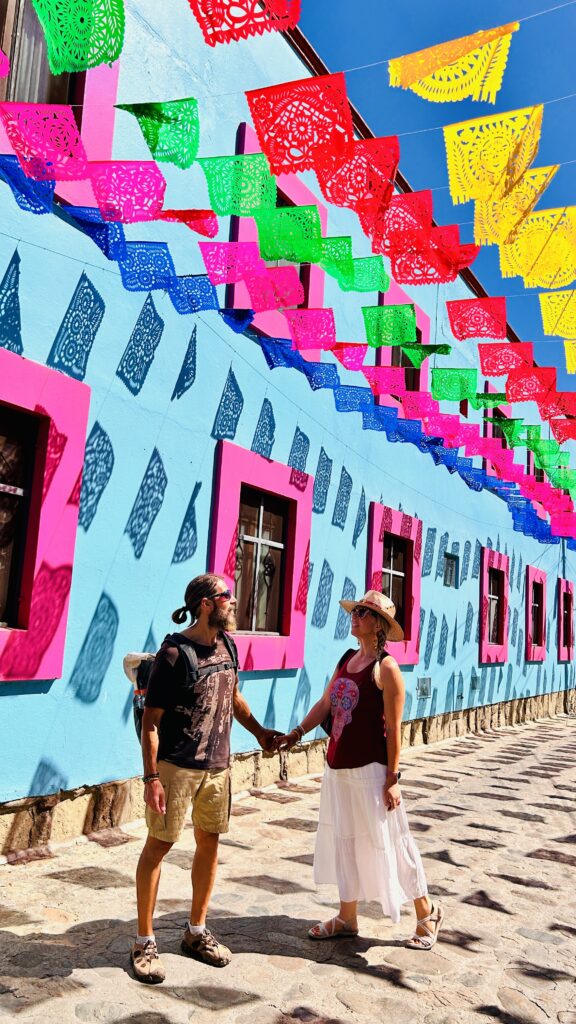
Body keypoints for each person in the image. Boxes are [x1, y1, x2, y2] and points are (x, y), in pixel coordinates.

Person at [131, 573, 280, 984]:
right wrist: (151, 778)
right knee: (158, 847)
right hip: (176, 768)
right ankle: (144, 940)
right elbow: (151, 722)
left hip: (218, 766)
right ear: (205, 604)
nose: (233, 602)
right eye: (225, 596)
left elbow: (233, 699)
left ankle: (195, 932)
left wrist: (261, 732)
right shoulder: (175, 654)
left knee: (209, 844)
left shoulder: (228, 645)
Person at [276, 590, 444, 949]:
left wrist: (393, 779)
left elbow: (396, 730)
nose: (355, 617)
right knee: (344, 842)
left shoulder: (387, 669)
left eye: (364, 614)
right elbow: (325, 703)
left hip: (372, 771)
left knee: (394, 842)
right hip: (338, 769)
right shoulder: (346, 659)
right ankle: (347, 916)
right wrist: (296, 733)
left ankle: (427, 912)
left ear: (379, 625)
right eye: (355, 612)